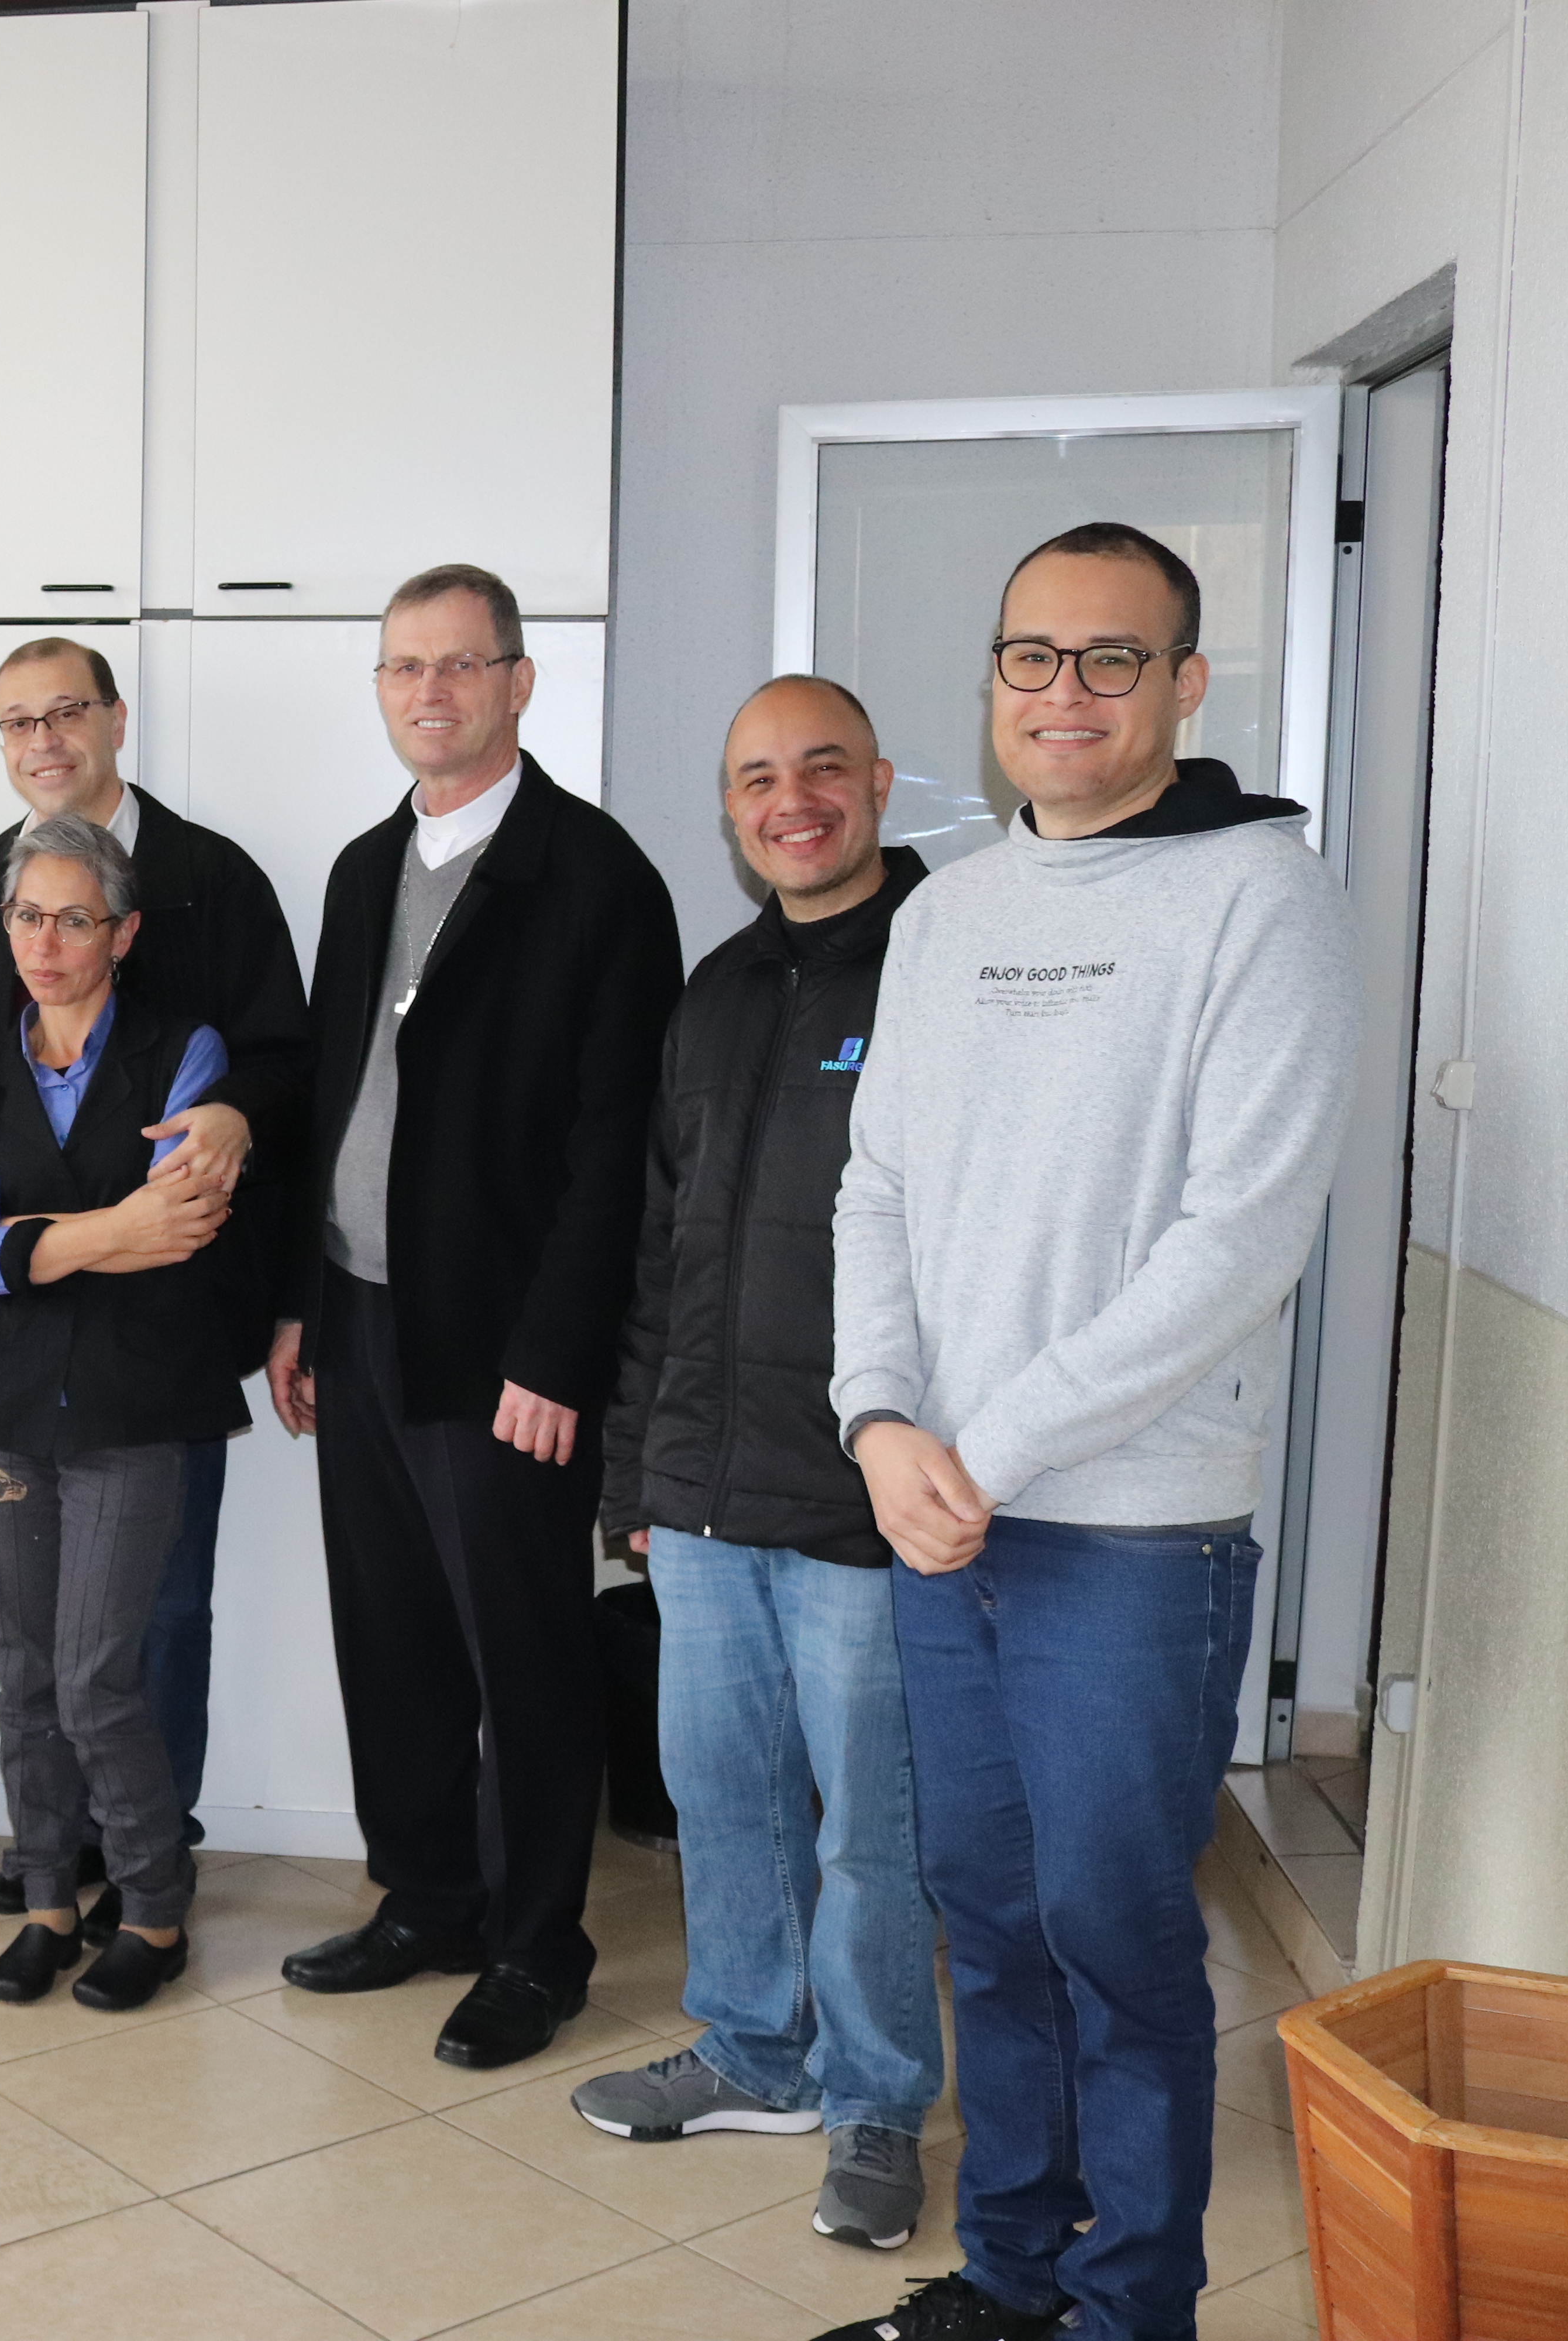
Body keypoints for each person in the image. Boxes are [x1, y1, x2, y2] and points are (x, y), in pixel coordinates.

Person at [811, 525, 1356, 2341]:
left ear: (1185, 687)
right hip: (938, 1511)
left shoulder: (1260, 898)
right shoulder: (949, 911)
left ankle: (1132, 2312)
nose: (1065, 693)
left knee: (1120, 1947)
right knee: (990, 1921)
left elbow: (1242, 1234)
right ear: (993, 685)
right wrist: (884, 1419)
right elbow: (873, 1185)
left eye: (1111, 660)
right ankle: (1011, 2278)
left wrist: (995, 1442)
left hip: (1130, 1530)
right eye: (1032, 658)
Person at [268, 564, 680, 2070]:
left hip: (505, 1352)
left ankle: (535, 1942)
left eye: (460, 665)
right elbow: (330, 1104)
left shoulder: (595, 878)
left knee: (524, 1650)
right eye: (402, 669)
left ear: (518, 682)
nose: (429, 692)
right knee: (391, 1634)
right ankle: (427, 1895)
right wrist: (303, 1300)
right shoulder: (362, 870)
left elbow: (616, 1148)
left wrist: (558, 1353)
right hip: (365, 1321)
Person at [575, 676, 940, 2256]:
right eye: (755, 781)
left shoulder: (948, 967)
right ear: (731, 816)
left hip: (868, 1496)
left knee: (871, 1828)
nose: (790, 801)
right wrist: (638, 1480)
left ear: (878, 782)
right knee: (722, 1797)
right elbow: (659, 1255)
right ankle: (752, 2053)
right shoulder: (715, 993)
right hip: (706, 1489)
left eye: (820, 770)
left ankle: (872, 2106)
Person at [0, 637, 308, 1926]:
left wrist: (235, 1146)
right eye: (14, 720)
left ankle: (154, 1851)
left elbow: (278, 1067)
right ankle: (59, 1852)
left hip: (167, 1328)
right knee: (37, 1647)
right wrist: (84, 1229)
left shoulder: (215, 879)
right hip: (27, 1346)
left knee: (152, 1618)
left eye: (65, 712)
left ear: (116, 719)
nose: (43, 740)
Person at [0, 815, 243, 2013]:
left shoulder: (184, 1053)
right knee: (21, 1671)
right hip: (2, 1407)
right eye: (27, 916)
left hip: (133, 1401)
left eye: (73, 918)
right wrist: (105, 1232)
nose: (46, 942)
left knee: (98, 1674)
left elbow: (182, 1226)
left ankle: (155, 1909)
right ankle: (51, 1899)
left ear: (122, 932)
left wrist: (42, 1243)